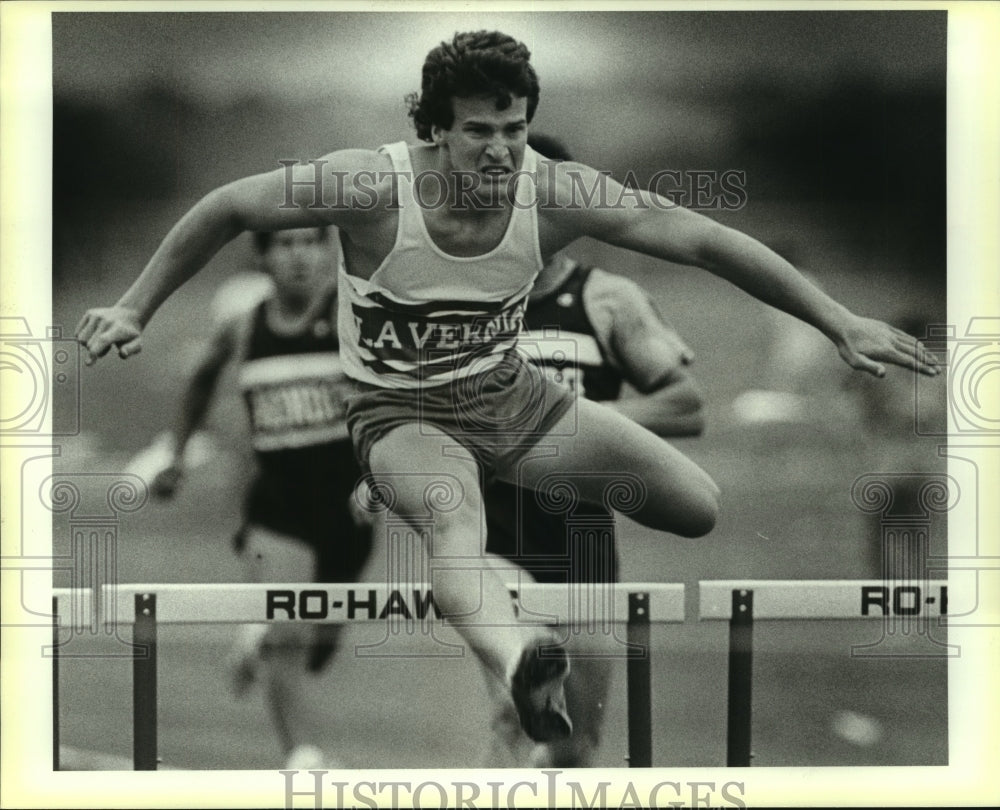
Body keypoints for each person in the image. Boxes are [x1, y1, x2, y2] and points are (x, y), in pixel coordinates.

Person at [75, 30, 939, 745]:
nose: (499, 151)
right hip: (399, 413)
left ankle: (506, 546)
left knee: (693, 504)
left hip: (513, 398)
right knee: (453, 523)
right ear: (434, 129)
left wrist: (840, 321)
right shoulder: (367, 185)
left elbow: (701, 237)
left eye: (515, 130)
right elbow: (227, 205)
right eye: (479, 132)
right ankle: (521, 653)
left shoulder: (551, 193)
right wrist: (135, 304)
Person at [478, 133, 705, 767]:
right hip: (490, 538)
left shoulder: (609, 298)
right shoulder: (461, 304)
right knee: (513, 710)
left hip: (582, 544)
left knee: (576, 745)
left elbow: (686, 404)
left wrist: (580, 422)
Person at [146, 226, 371, 769]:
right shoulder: (244, 324)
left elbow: (401, 393)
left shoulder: (358, 318)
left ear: (327, 250)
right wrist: (175, 453)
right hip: (277, 506)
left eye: (312, 243)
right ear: (264, 256)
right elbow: (200, 382)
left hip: (348, 511)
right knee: (291, 629)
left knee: (317, 647)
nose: (300, 257)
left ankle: (258, 632)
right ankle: (304, 757)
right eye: (286, 245)